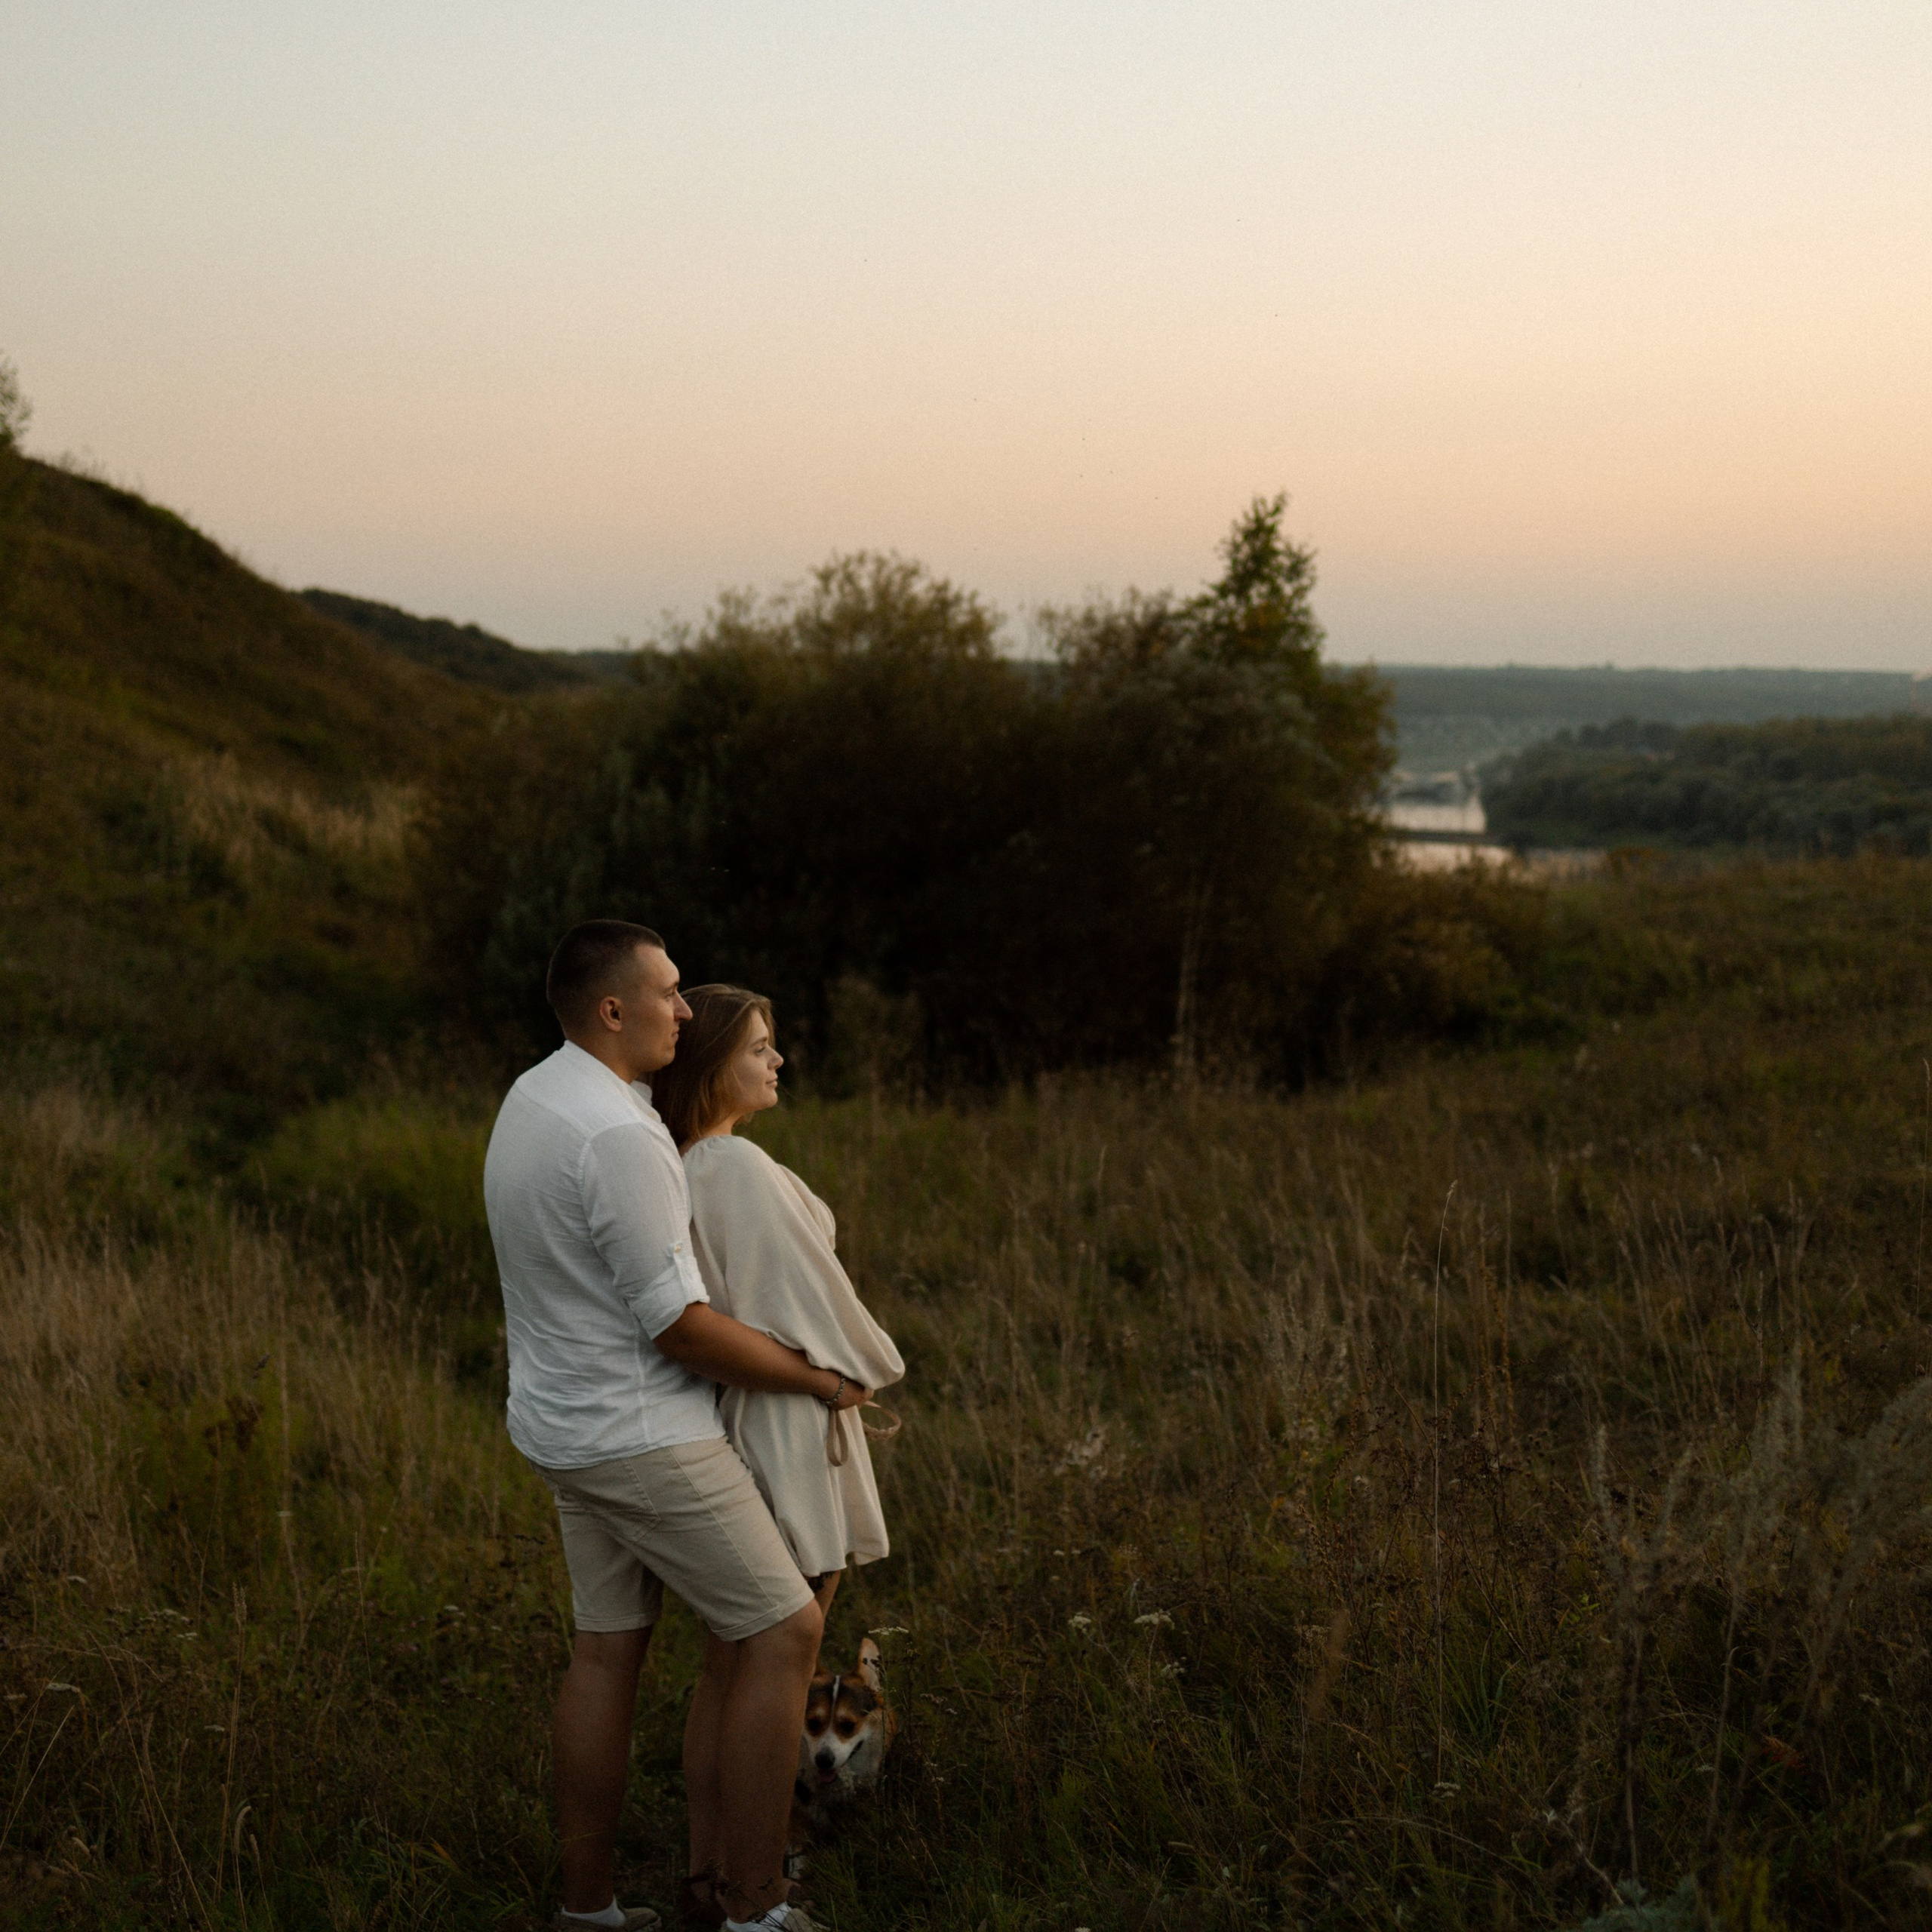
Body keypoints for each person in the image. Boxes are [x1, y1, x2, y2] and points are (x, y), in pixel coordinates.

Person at [483, 921, 867, 1932]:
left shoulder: (537, 1096)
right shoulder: (620, 1136)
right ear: (615, 1010)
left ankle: (590, 1912)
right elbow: (681, 1329)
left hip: (564, 1424)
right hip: (642, 1433)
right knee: (785, 1629)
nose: (687, 1011)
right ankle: (755, 1911)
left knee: (608, 1651)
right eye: (671, 992)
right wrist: (818, 1378)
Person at [650, 989, 903, 1887]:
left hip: (738, 1412)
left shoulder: (682, 1165)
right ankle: (760, 1873)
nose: (778, 1058)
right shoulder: (732, 1169)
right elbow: (806, 1304)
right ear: (714, 1062)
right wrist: (855, 1370)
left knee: (729, 1663)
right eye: (761, 1045)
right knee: (776, 1661)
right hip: (788, 1420)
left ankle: (708, 1868)